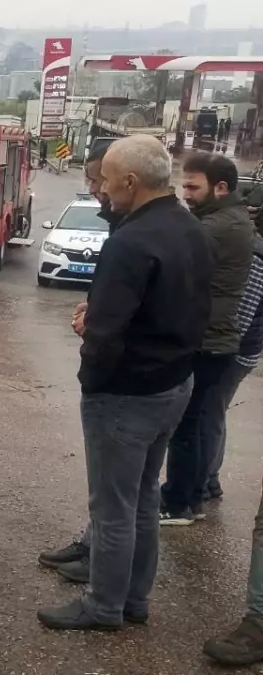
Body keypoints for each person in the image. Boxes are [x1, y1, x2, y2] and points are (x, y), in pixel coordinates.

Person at [37, 135, 212, 631]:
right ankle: (134, 600)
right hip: (173, 385)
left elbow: (105, 336)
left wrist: (91, 361)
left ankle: (103, 607)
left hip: (124, 396)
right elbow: (181, 304)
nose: (103, 191)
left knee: (112, 509)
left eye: (108, 180)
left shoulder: (129, 241)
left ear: (131, 182)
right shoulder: (188, 226)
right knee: (143, 501)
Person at [38, 142, 123, 585]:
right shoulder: (137, 229)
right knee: (120, 492)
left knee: (119, 493)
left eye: (99, 181)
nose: (94, 190)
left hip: (125, 387)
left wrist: (93, 333)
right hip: (133, 381)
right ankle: (95, 551)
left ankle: (106, 588)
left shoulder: (138, 236)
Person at [159, 151, 255, 526]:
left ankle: (179, 502)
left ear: (221, 187)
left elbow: (169, 257)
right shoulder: (228, 219)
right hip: (216, 340)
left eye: (192, 187)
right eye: (183, 185)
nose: (185, 194)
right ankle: (191, 497)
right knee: (195, 424)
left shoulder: (215, 228)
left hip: (205, 341)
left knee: (184, 428)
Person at [204, 235, 263, 501]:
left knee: (209, 413)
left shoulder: (254, 259)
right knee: (214, 412)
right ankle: (209, 477)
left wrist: (221, 349)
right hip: (240, 349)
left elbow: (242, 314)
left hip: (235, 352)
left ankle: (206, 480)